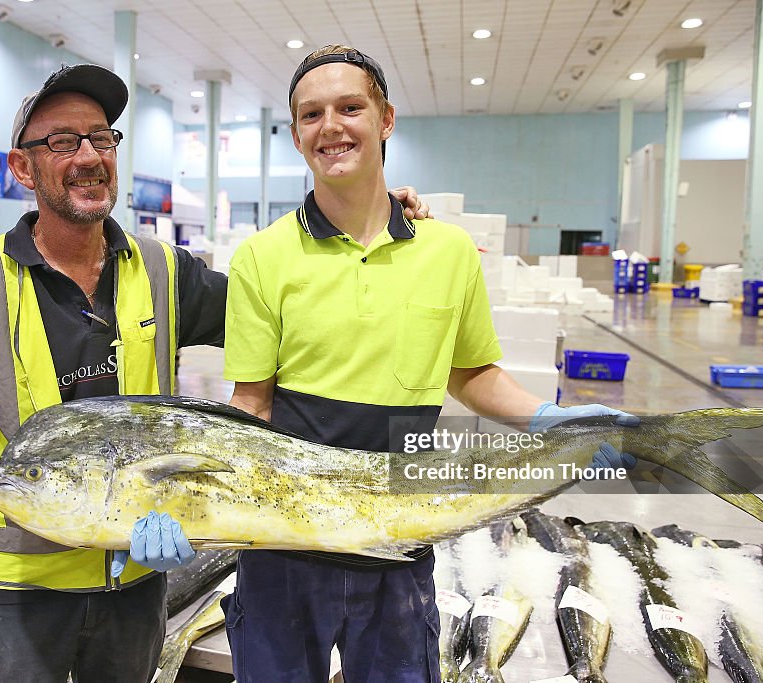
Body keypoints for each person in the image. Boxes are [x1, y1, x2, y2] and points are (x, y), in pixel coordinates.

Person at [0, 63, 431, 681]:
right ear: (22, 168)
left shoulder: (162, 271)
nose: (88, 157)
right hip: (19, 595)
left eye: (101, 138)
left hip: (137, 583)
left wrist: (361, 215)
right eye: (63, 142)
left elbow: (282, 315)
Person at [222, 45, 637, 683]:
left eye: (349, 108)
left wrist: (548, 418)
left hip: (401, 535)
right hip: (285, 541)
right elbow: (251, 405)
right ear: (297, 133)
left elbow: (470, 373)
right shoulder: (261, 257)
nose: (330, 126)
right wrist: (191, 496)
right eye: (311, 115)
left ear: (385, 119)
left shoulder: (448, 252)